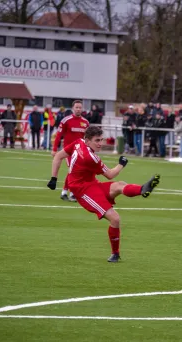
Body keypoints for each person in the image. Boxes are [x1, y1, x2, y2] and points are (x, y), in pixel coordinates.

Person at [47, 126, 161, 262]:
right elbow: (110, 175)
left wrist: (53, 178)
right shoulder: (91, 158)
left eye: (101, 139)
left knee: (120, 185)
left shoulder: (78, 142)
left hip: (92, 184)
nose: (100, 143)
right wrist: (121, 164)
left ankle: (142, 189)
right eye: (97, 140)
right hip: (82, 191)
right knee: (115, 219)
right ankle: (115, 253)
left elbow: (59, 156)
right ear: (88, 141)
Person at [53, 100, 90, 202]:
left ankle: (68, 193)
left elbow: (87, 138)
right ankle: (68, 193)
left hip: (80, 151)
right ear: (73, 108)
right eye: (76, 107)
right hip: (68, 151)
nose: (78, 109)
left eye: (80, 107)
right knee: (72, 170)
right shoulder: (66, 120)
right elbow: (59, 135)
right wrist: (54, 149)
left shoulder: (85, 122)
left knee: (76, 172)